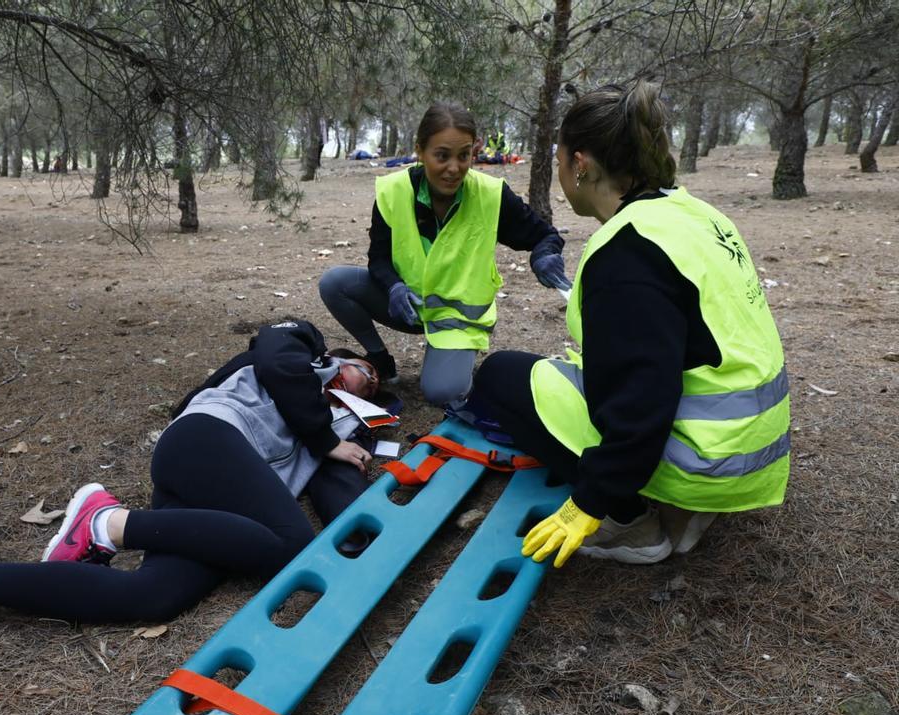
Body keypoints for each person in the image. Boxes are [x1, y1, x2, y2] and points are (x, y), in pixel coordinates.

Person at [0, 320, 383, 669]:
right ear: (340, 356)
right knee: (291, 543)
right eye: (366, 369)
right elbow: (273, 358)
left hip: (226, 500)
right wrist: (323, 436)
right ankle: (107, 523)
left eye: (375, 387)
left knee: (153, 597)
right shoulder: (300, 346)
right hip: (205, 441)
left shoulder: (340, 425)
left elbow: (335, 486)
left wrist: (365, 534)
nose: (368, 382)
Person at [466, 82, 790, 567]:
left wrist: (591, 502)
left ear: (580, 164)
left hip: (705, 461)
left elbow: (643, 401)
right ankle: (687, 508)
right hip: (750, 448)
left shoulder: (626, 252)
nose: (558, 175)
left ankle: (632, 525)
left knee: (501, 375)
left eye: (558, 163)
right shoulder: (695, 214)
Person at [318, 101, 568, 412]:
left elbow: (545, 235)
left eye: (464, 155)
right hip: (409, 306)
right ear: (420, 151)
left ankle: (453, 366)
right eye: (442, 156)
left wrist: (544, 255)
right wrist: (394, 287)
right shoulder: (394, 191)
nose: (454, 168)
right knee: (334, 283)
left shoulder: (490, 196)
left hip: (457, 321)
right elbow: (378, 259)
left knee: (440, 392)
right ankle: (381, 359)